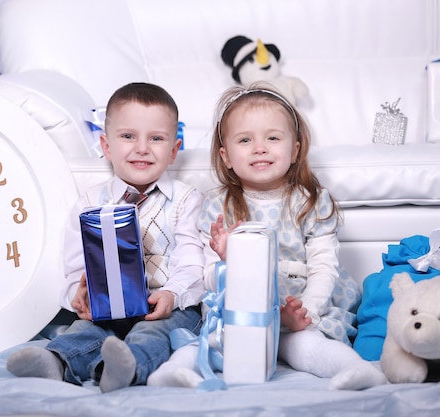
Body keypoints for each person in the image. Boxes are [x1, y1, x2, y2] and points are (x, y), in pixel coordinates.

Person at [148, 84, 387, 390]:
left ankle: (356, 368)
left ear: (295, 150)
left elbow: (324, 267)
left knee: (305, 347)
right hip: (240, 313)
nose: (260, 148)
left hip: (296, 310)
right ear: (226, 157)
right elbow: (207, 279)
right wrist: (226, 261)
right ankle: (174, 372)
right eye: (245, 140)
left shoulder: (309, 201)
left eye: (272, 138)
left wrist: (306, 313)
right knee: (206, 343)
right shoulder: (219, 206)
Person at [6, 82, 205, 392]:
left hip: (170, 308)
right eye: (128, 136)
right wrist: (78, 295)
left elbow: (193, 265)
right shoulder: (89, 204)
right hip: (108, 308)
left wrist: (172, 295)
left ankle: (123, 367)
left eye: (156, 138)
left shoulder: (186, 200)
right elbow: (74, 267)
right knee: (83, 331)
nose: (142, 148)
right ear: (107, 146)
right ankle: (55, 363)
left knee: (151, 335)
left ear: (173, 151)